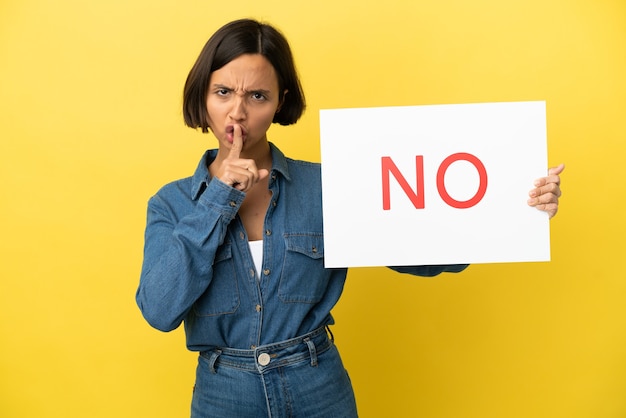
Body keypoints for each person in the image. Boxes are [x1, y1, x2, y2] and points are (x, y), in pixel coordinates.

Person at [136, 18, 564, 418]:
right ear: (202, 95)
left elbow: (429, 256)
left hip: (316, 386)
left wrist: (517, 206)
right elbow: (159, 310)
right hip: (222, 393)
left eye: (258, 96)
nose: (238, 112)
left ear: (281, 101)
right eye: (224, 92)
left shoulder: (328, 185)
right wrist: (217, 200)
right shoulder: (172, 204)